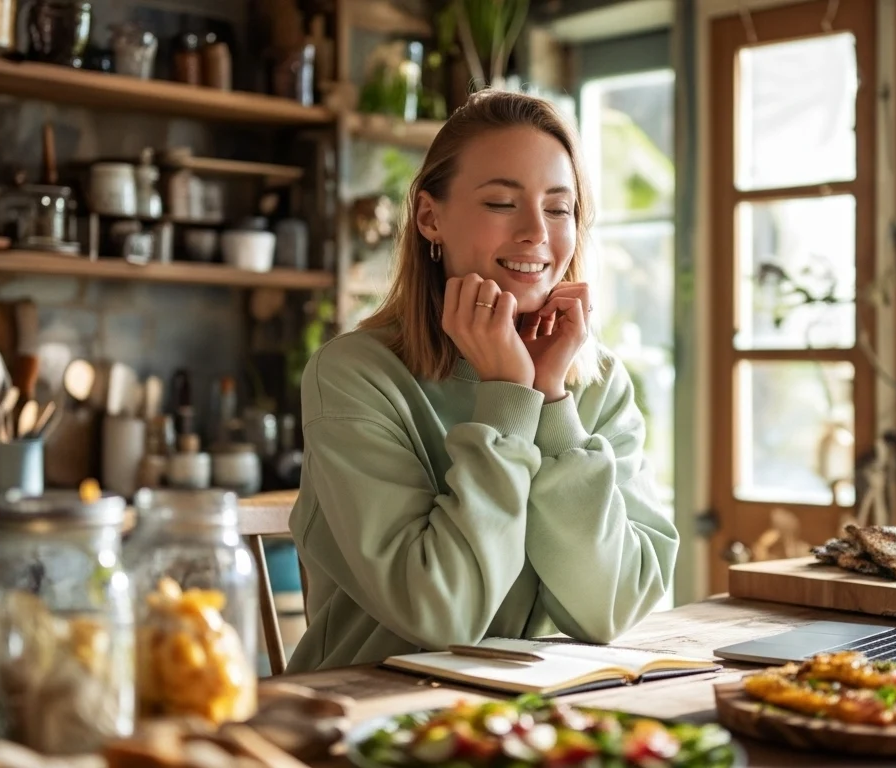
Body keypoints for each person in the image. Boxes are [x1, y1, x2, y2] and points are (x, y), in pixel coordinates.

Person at [286, 90, 678, 672]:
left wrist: (550, 401)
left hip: (543, 725)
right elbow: (441, 614)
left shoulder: (596, 382)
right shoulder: (354, 376)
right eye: (501, 202)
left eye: (559, 208)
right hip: (372, 721)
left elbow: (611, 608)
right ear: (429, 217)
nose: (536, 233)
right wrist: (509, 402)